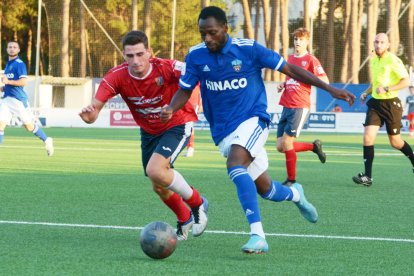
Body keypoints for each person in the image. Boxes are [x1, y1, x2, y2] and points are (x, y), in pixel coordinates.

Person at [161, 6, 355, 253]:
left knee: (235, 165)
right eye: (203, 34)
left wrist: (329, 89)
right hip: (222, 130)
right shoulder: (196, 56)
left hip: (253, 119)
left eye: (212, 33)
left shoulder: (248, 49)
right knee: (265, 189)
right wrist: (171, 107)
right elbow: (185, 89)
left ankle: (258, 235)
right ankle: (296, 195)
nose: (207, 39)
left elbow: (290, 69)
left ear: (225, 29)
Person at [79, 31, 208, 241]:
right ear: (124, 55)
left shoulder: (167, 67)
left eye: (140, 54)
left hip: (177, 123)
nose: (136, 61)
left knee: (156, 170)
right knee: (158, 183)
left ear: (149, 52)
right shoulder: (116, 76)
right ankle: (184, 218)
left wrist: (194, 100)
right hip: (149, 132)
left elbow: (196, 75)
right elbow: (94, 110)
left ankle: (197, 203)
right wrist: (89, 116)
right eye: (130, 56)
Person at [352, 33, 414, 186]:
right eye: (376, 42)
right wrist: (366, 93)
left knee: (395, 142)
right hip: (375, 104)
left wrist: (387, 88)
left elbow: (406, 81)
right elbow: (376, 83)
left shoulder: (393, 60)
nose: (378, 45)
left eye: (382, 42)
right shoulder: (374, 60)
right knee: (368, 137)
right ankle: (367, 177)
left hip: (391, 104)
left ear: (388, 45)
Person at [276, 27, 329, 186]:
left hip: (299, 105)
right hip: (286, 104)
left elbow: (324, 80)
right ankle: (314, 147)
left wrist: (307, 78)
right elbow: (292, 79)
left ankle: (291, 180)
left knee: (287, 142)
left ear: (306, 42)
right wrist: (284, 84)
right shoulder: (290, 59)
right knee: (281, 146)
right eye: (295, 39)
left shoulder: (311, 60)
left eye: (300, 39)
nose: (297, 42)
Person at [0, 41, 54, 156]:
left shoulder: (20, 64)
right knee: (0, 124)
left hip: (18, 101)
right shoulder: (8, 64)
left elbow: (23, 82)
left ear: (18, 50)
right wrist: (3, 88)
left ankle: (47, 139)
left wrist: (8, 81)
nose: (12, 49)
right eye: (10, 47)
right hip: (6, 100)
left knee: (29, 126)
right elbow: (10, 84)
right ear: (7, 49)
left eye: (14, 47)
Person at [183, 84, 202, 157]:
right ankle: (189, 148)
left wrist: (200, 103)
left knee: (189, 123)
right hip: (182, 99)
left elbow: (202, 86)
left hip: (193, 100)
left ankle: (190, 148)